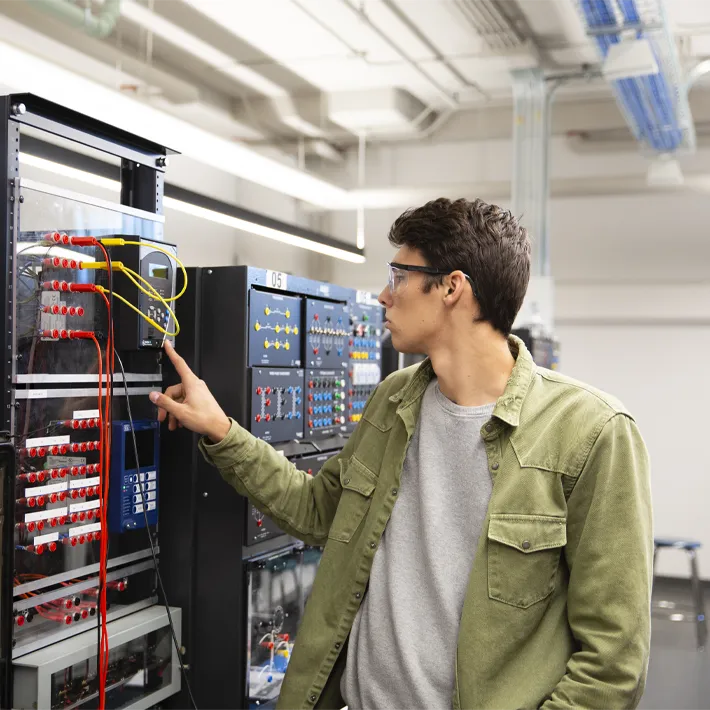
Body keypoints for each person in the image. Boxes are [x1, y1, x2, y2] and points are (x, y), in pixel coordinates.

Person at [150, 198, 653, 710]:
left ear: (453, 287)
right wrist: (221, 430)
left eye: (399, 275)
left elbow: (611, 665)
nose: (384, 295)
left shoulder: (592, 432)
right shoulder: (394, 399)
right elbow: (319, 510)